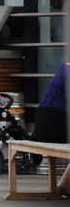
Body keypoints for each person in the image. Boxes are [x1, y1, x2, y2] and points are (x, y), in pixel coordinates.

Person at [32, 63, 69, 196]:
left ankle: (64, 186)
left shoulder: (64, 68)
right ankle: (64, 186)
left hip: (43, 125)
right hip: (54, 125)